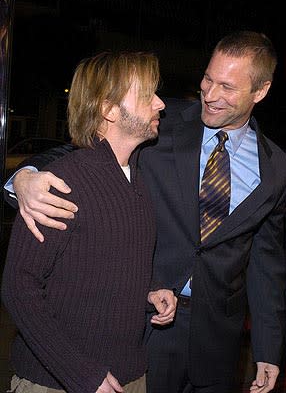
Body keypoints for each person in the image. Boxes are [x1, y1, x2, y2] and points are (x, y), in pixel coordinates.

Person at [3, 31, 286, 393]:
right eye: (208, 79)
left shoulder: (275, 168)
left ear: (259, 91)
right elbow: (87, 150)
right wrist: (25, 177)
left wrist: (268, 348)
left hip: (219, 338)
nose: (211, 95)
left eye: (227, 87)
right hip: (146, 333)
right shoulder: (163, 123)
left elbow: (267, 263)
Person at [1, 51, 178, 393]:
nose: (160, 104)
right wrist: (79, 373)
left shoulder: (135, 179)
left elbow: (100, 270)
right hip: (57, 383)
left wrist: (149, 292)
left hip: (129, 374)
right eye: (146, 96)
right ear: (109, 109)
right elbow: (19, 288)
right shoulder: (61, 183)